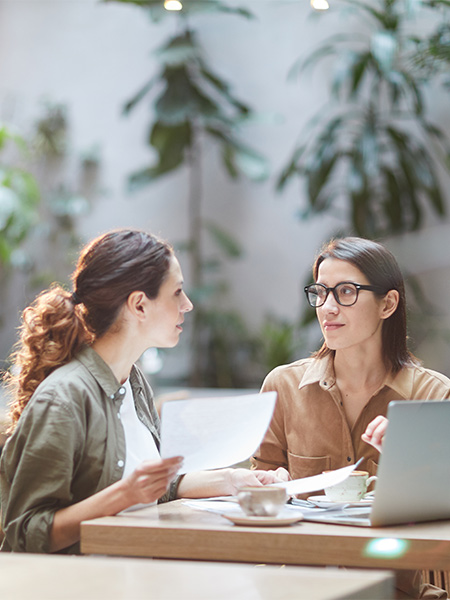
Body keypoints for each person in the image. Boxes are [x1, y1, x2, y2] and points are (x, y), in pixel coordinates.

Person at [0, 228, 287, 554]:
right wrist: (125, 494)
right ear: (139, 305)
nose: (187, 305)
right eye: (177, 293)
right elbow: (25, 533)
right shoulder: (64, 398)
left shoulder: (132, 382)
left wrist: (230, 481)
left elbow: (149, 490)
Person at [251, 236, 450, 599]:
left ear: (388, 304)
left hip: (396, 591)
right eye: (320, 292)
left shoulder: (434, 396)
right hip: (300, 588)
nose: (327, 307)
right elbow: (257, 495)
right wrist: (270, 483)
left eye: (345, 292)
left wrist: (413, 463)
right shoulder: (283, 386)